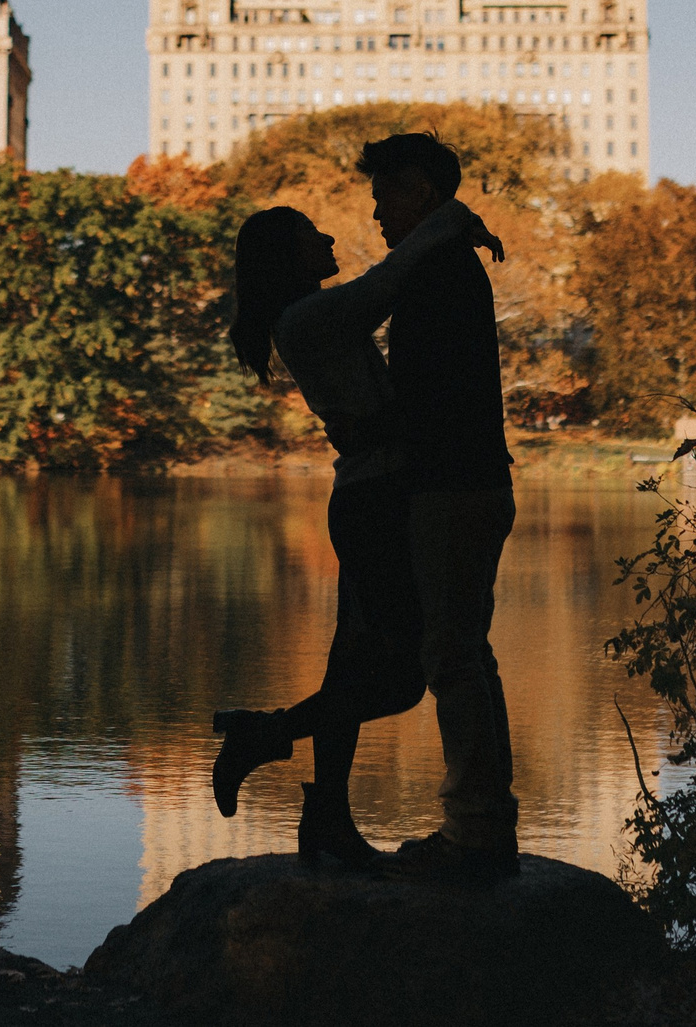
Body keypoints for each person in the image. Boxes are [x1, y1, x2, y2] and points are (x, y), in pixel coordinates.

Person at [214, 194, 503, 867]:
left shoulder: (309, 316)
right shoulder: (309, 317)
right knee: (401, 680)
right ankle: (264, 736)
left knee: (350, 668)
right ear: (288, 257)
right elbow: (389, 280)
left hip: (370, 496)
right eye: (311, 233)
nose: (328, 237)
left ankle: (327, 821)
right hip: (376, 503)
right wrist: (450, 219)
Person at [359, 131, 520, 876]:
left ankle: (474, 831)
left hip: (452, 485)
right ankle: (483, 822)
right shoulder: (449, 261)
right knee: (466, 651)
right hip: (472, 479)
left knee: (452, 655)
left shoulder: (436, 270)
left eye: (384, 195)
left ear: (419, 191)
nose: (375, 212)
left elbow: (428, 393)